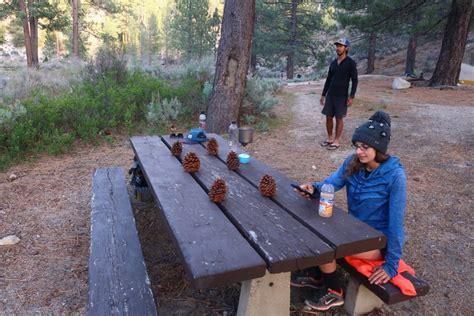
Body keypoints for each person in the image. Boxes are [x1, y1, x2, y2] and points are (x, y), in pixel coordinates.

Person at [292, 111, 406, 312]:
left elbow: (396, 223)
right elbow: (331, 183)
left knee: (324, 239)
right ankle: (319, 275)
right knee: (313, 223)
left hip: (376, 241)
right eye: (357, 146)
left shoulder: (395, 176)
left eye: (365, 147)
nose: (359, 152)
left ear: (378, 148)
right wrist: (314, 188)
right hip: (353, 230)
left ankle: (334, 291)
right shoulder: (354, 163)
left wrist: (391, 264)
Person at [320, 38, 358, 150]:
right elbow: (328, 79)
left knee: (339, 118)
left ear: (346, 48)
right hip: (330, 95)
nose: (338, 48)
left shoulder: (350, 63)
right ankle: (330, 138)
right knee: (328, 117)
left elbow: (355, 80)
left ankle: (337, 140)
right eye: (337, 46)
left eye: (340, 46)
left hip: (342, 96)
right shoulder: (333, 63)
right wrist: (323, 94)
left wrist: (351, 96)